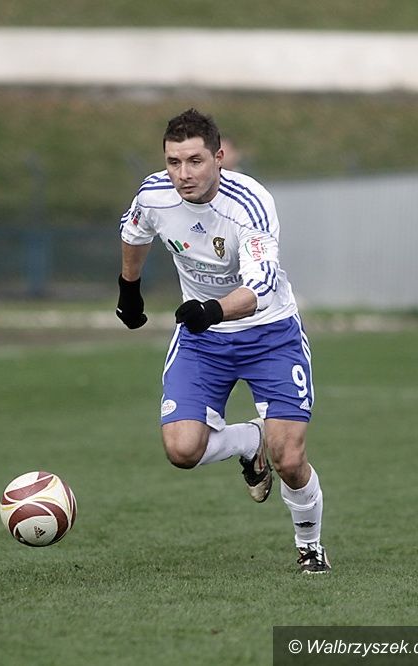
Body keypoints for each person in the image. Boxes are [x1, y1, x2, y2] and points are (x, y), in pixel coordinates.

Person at [116, 108, 330, 573]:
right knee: (181, 450)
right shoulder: (153, 194)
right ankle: (249, 439)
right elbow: (134, 232)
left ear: (218, 158)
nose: (183, 174)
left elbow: (261, 287)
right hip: (203, 341)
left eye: (194, 161)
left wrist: (211, 310)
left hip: (270, 335)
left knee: (289, 458)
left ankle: (310, 546)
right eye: (174, 162)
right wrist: (128, 290)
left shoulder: (249, 203)